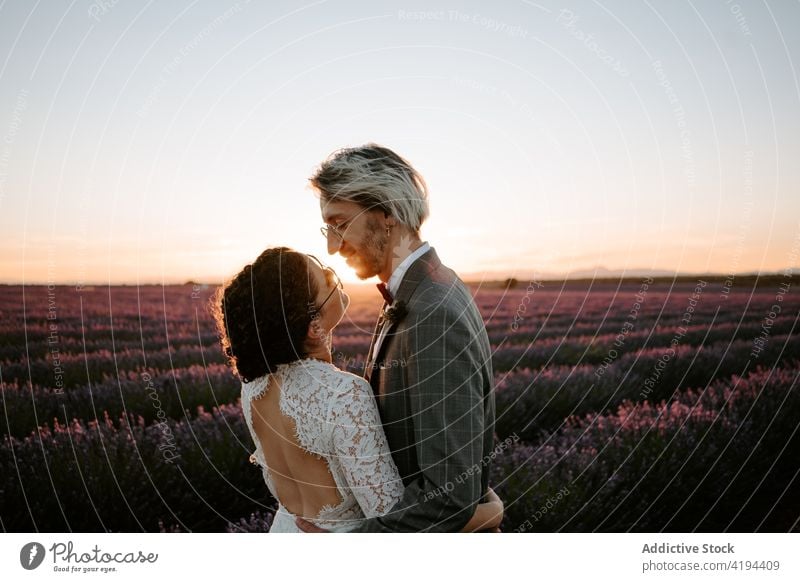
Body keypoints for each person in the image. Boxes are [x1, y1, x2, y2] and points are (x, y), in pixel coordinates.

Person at [212, 246, 503, 532]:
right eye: (326, 279)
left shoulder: (253, 388)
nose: (333, 274)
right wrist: (491, 511)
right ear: (314, 327)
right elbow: (395, 520)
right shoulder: (344, 394)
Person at [297, 144, 498, 532]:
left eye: (339, 223)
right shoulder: (422, 291)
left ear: (386, 213)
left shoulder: (433, 313)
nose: (332, 247)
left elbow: (447, 495)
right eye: (327, 228)